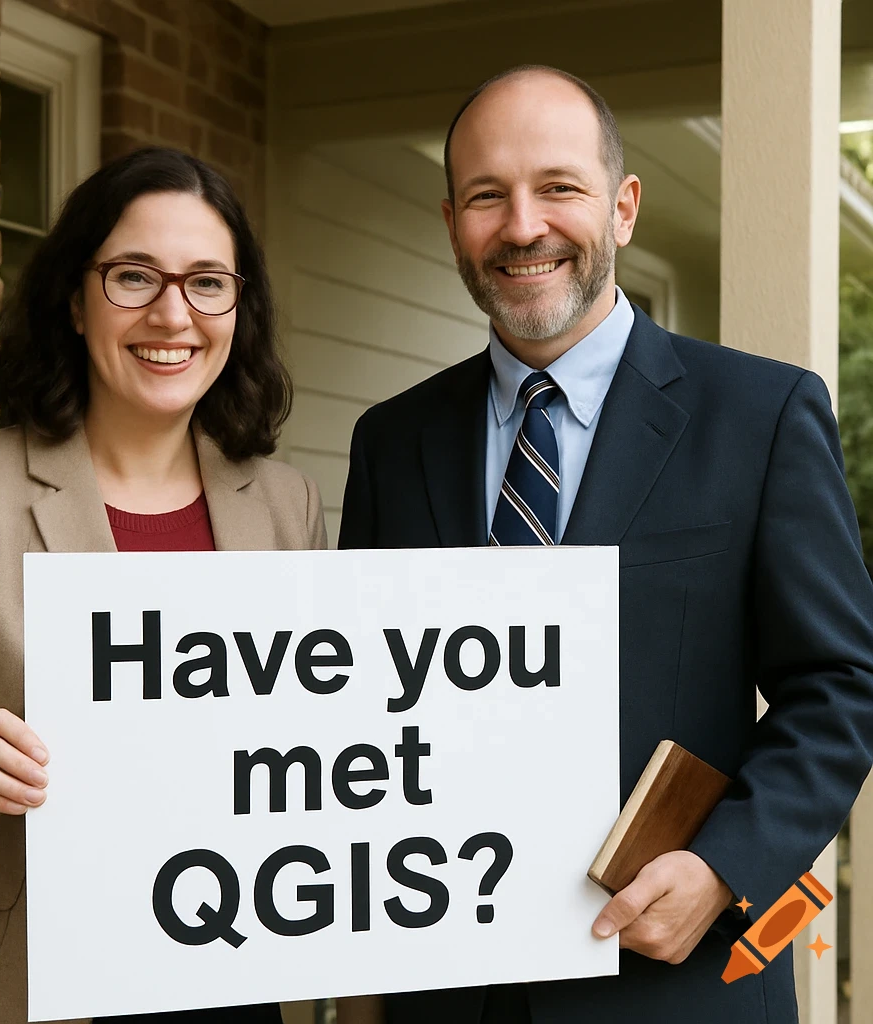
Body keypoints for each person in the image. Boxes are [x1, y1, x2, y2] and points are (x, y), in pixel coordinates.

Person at [336, 65, 873, 1024]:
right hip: (444, 990)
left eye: (559, 187)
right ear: (451, 219)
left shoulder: (761, 415)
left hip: (675, 986)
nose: (522, 224)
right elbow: (355, 699)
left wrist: (724, 869)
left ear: (622, 207)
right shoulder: (391, 441)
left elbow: (839, 687)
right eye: (486, 195)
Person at [0, 147, 326, 1024]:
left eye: (207, 282)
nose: (172, 313)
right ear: (74, 298)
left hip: (221, 971)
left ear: (237, 307)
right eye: (134, 276)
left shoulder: (287, 504)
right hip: (9, 984)